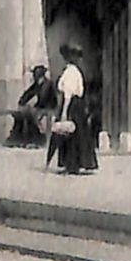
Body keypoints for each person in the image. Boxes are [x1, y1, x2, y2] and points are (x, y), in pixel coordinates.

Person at [48, 43, 97, 174]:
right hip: (77, 105)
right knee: (77, 134)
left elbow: (68, 93)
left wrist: (64, 111)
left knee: (70, 135)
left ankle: (72, 164)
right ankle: (77, 163)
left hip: (72, 105)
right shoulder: (76, 72)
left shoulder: (70, 72)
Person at [7, 64, 57, 147]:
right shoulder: (37, 84)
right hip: (40, 108)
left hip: (49, 108)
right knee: (20, 114)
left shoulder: (47, 84)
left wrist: (33, 106)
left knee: (31, 113)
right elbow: (28, 93)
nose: (34, 76)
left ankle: (35, 138)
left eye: (35, 74)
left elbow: (43, 99)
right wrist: (22, 102)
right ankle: (17, 137)